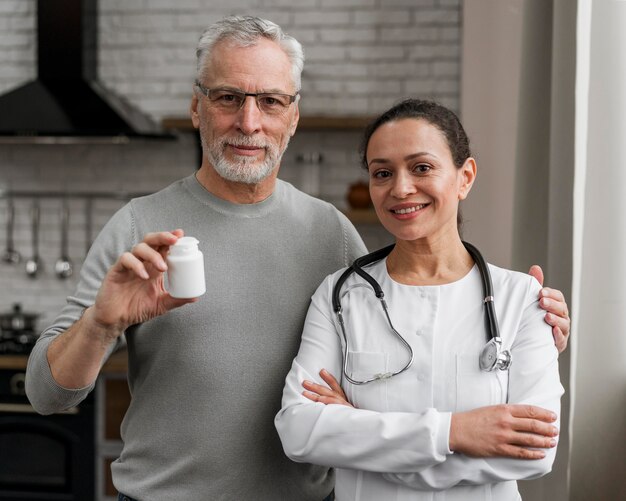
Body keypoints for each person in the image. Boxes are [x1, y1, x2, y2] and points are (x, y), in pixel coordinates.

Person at [24, 16, 569, 501]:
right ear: (197, 107)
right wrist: (101, 323)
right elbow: (47, 397)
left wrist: (528, 327)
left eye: (270, 101)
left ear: (293, 115)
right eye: (228, 98)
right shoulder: (140, 229)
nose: (249, 122)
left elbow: (415, 346)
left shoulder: (331, 232)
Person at [275, 99, 565, 500]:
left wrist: (360, 435)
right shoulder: (339, 296)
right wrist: (454, 432)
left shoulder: (522, 299)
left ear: (465, 177)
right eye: (382, 173)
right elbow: (299, 430)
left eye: (422, 167)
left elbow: (535, 452)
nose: (401, 188)